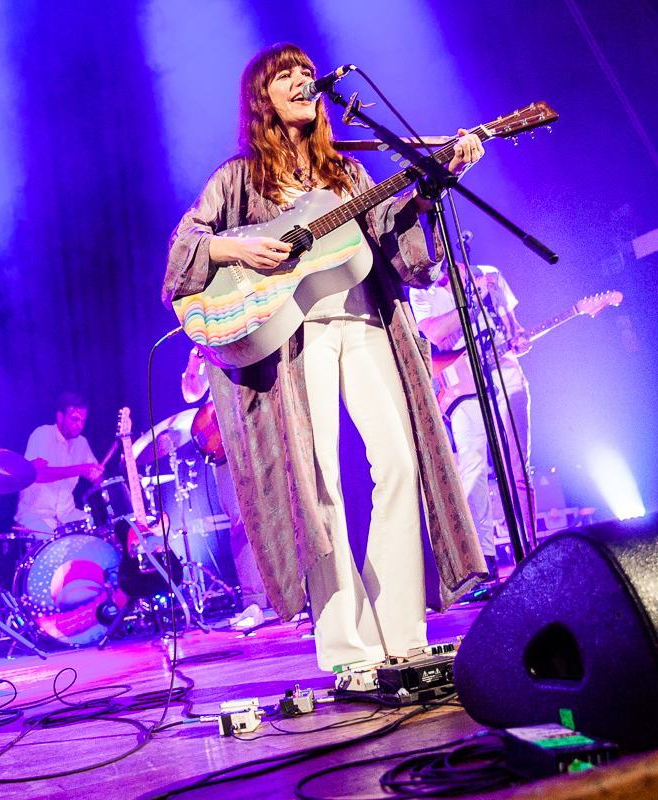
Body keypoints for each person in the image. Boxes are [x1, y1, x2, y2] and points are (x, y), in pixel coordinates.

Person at [162, 43, 485, 672]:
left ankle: (401, 631)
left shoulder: (348, 173)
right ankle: (346, 647)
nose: (303, 82)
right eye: (286, 76)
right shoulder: (238, 178)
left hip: (368, 322)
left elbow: (395, 235)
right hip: (296, 338)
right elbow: (186, 248)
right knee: (321, 487)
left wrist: (431, 186)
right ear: (263, 97)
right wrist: (237, 250)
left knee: (399, 463)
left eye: (308, 74)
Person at [411, 262, 533, 581]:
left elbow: (511, 324)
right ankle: (479, 558)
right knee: (474, 460)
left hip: (503, 368)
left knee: (518, 465)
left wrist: (518, 335)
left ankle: (532, 550)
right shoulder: (421, 290)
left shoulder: (489, 272)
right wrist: (473, 296)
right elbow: (436, 334)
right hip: (459, 379)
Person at [181, 345, 269, 628]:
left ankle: (304, 594)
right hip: (225, 445)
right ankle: (254, 602)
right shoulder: (206, 347)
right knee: (240, 522)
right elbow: (191, 394)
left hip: (259, 428)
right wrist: (193, 365)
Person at [14, 391, 104, 536]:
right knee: (52, 546)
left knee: (99, 530)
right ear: (60, 417)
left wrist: (97, 477)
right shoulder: (42, 434)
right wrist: (79, 470)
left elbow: (96, 479)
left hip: (66, 514)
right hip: (35, 516)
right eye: (75, 419)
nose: (80, 425)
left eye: (83, 421)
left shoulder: (82, 442)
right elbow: (37, 474)